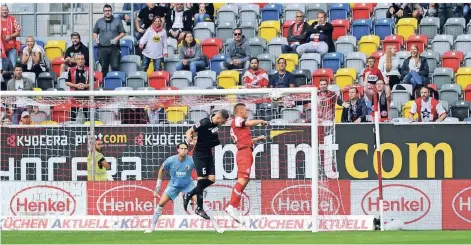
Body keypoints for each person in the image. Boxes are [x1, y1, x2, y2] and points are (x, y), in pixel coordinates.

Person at [182, 110, 230, 219]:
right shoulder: (204, 122)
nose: (224, 123)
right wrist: (188, 137)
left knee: (212, 179)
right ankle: (199, 208)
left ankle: (189, 194)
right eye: (223, 120)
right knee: (202, 180)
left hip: (208, 154)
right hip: (199, 155)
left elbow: (221, 124)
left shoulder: (218, 122)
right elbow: (189, 130)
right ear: (219, 118)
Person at [225, 103, 268, 223]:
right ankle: (231, 206)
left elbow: (244, 140)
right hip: (243, 153)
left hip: (246, 151)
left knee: (246, 179)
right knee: (242, 180)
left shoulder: (239, 126)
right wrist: (261, 121)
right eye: (245, 110)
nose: (247, 112)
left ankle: (233, 206)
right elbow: (248, 123)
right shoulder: (237, 120)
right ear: (240, 111)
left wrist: (258, 139)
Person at [145, 142, 197, 233]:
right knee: (161, 204)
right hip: (174, 185)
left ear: (187, 150)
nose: (183, 150)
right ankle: (152, 227)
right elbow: (161, 169)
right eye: (182, 148)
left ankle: (216, 225)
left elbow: (199, 171)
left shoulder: (192, 160)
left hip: (188, 185)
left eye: (185, 149)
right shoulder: (171, 160)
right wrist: (158, 185)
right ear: (178, 150)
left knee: (200, 201)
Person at [93, 4, 126, 77]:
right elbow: (95, 32)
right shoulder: (99, 21)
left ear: (111, 11)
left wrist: (117, 38)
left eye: (109, 11)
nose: (107, 12)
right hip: (102, 47)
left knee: (115, 66)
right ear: (103, 12)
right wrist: (96, 38)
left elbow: (123, 32)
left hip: (114, 48)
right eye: (106, 11)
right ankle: (104, 84)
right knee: (104, 67)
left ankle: (115, 83)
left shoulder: (118, 21)